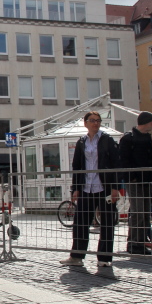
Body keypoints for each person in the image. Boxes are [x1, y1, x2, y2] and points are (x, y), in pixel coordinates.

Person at [60, 111, 120, 267]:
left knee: (107, 223)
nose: (95, 123)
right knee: (80, 223)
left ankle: (104, 258)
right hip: (86, 187)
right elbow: (77, 166)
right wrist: (76, 188)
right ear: (85, 123)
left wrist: (116, 187)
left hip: (104, 187)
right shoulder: (82, 142)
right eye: (92, 120)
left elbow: (116, 164)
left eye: (98, 120)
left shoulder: (107, 140)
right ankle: (76, 257)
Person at [119, 112, 152, 254]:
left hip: (146, 179)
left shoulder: (146, 137)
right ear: (146, 122)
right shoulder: (128, 138)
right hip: (134, 180)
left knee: (144, 212)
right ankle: (134, 244)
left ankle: (141, 242)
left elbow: (151, 156)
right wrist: (131, 176)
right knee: (137, 211)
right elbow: (124, 159)